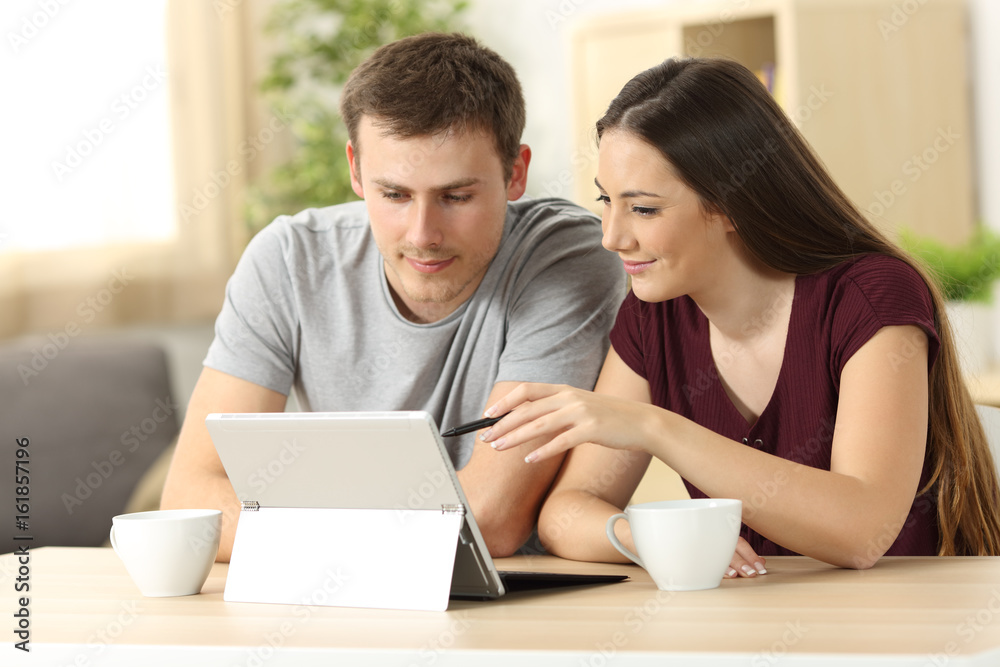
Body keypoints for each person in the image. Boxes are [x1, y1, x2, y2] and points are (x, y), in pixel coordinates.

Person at [480, 57, 1000, 575]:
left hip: (901, 631)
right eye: (606, 201)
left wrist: (654, 427)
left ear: (732, 203)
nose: (611, 237)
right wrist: (640, 536)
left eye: (643, 209)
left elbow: (864, 531)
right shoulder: (653, 317)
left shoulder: (870, 296)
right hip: (752, 628)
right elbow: (566, 512)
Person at [160, 33, 626, 562]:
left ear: (515, 172)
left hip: (509, 612)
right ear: (356, 170)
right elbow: (191, 503)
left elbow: (490, 522)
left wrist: (289, 520)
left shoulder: (566, 258)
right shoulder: (289, 260)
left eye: (456, 196)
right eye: (395, 195)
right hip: (336, 599)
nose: (423, 233)